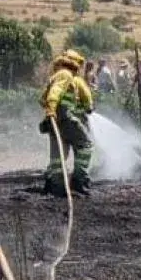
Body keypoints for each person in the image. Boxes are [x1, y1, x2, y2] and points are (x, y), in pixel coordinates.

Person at [40, 50, 94, 197]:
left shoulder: (55, 75)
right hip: (66, 119)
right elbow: (87, 101)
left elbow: (43, 98)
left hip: (54, 122)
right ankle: (79, 180)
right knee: (85, 145)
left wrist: (50, 112)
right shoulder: (68, 75)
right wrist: (52, 109)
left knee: (58, 156)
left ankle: (55, 185)